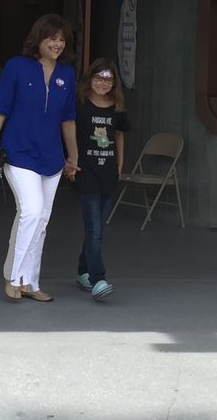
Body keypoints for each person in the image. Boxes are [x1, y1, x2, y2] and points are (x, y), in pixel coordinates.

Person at [0, 13, 79, 302]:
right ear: (38, 39)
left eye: (62, 39)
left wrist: (72, 156)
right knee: (32, 211)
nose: (58, 44)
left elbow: (69, 119)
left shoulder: (67, 74)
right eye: (52, 38)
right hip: (19, 151)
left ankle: (31, 281)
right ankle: (13, 278)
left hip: (52, 157)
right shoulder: (17, 67)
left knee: (41, 220)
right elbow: (1, 109)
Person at [67, 58, 130, 301]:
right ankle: (98, 279)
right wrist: (69, 162)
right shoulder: (79, 105)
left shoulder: (117, 107)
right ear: (89, 79)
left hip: (108, 174)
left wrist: (120, 164)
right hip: (86, 174)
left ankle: (83, 270)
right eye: (98, 78)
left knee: (98, 228)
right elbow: (67, 132)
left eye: (108, 79)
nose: (103, 83)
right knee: (94, 230)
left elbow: (119, 135)